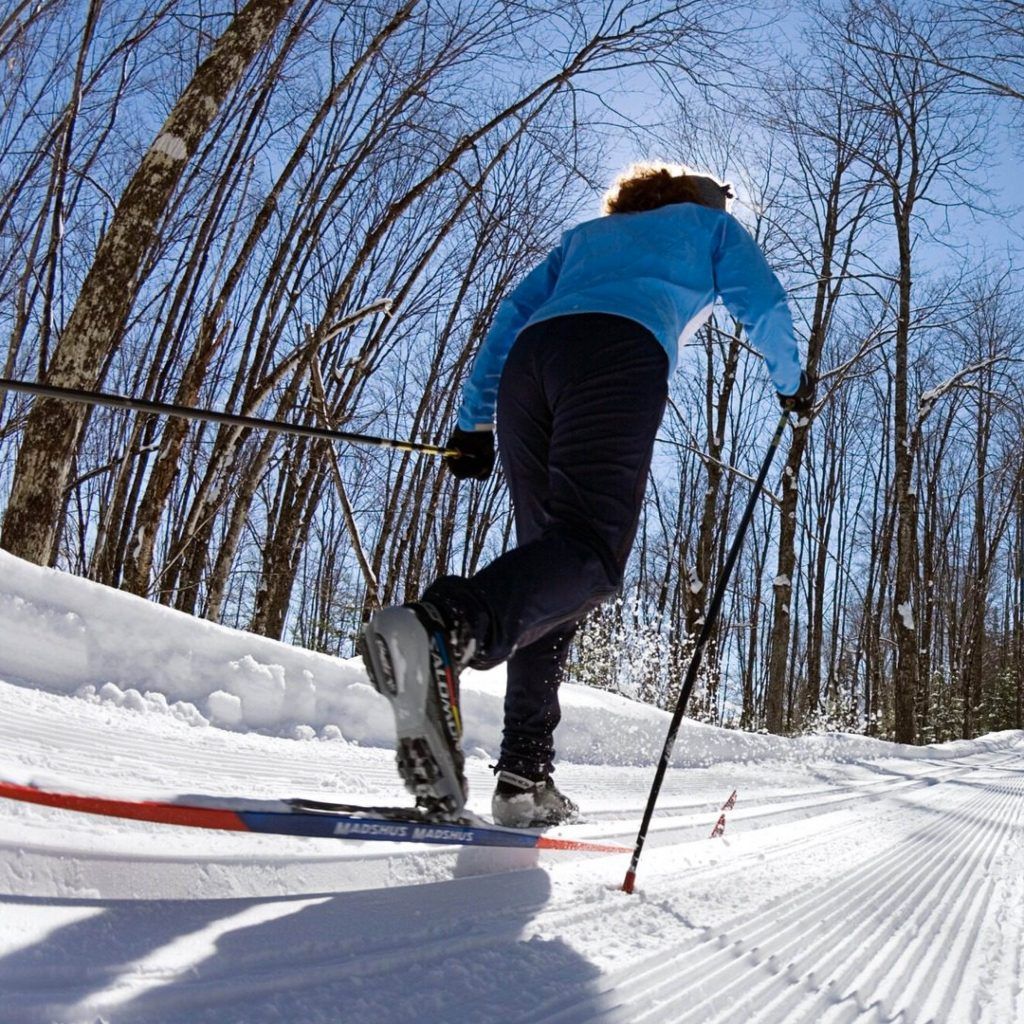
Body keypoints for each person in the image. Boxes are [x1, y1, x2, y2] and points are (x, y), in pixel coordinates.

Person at [361, 163, 813, 827]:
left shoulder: (583, 240)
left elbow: (510, 317)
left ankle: (523, 774)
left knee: (550, 582)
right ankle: (442, 626)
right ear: (703, 200)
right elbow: (764, 302)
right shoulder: (708, 225)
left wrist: (473, 420)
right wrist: (791, 383)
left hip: (530, 367)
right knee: (591, 557)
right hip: (616, 355)